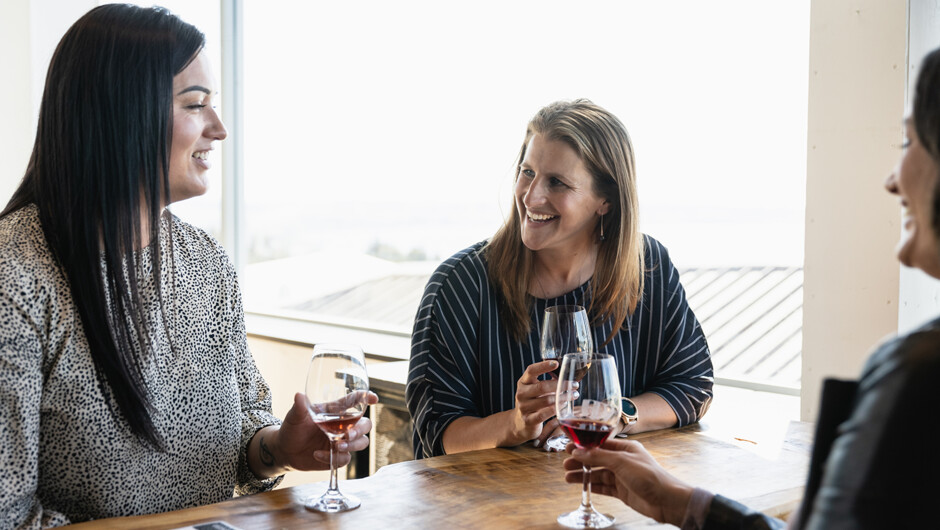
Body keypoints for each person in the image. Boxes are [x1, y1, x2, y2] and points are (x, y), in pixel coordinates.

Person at [0, 5, 376, 527]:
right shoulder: (16, 277)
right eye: (196, 104)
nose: (219, 129)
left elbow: (241, 444)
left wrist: (280, 447)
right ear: (121, 113)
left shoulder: (207, 262)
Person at [562, 48, 940, 530]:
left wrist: (634, 427)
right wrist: (678, 502)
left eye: (909, 142)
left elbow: (693, 382)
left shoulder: (918, 372)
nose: (891, 180)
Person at [406, 99, 714, 459]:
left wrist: (616, 415)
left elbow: (693, 385)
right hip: (490, 494)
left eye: (557, 183)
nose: (531, 195)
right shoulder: (459, 285)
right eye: (527, 172)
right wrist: (516, 424)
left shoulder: (648, 266)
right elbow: (437, 432)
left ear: (605, 201)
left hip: (604, 487)